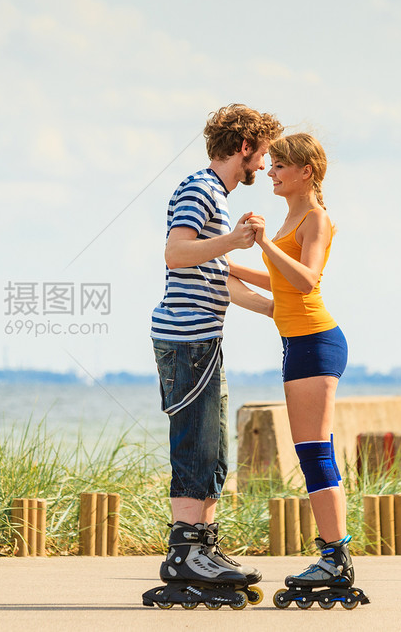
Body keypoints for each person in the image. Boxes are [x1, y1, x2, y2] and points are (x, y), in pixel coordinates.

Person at [145, 104, 282, 609]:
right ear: (243, 147)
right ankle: (184, 553)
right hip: (186, 340)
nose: (264, 165)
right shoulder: (198, 189)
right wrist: (234, 239)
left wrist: (278, 312)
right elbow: (176, 254)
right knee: (195, 448)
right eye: (262, 153)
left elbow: (219, 279)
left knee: (214, 454)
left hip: (205, 338)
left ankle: (204, 548)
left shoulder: (217, 198)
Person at [229, 132, 369, 609]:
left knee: (313, 452)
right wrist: (230, 267)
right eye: (270, 166)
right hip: (297, 343)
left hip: (315, 342)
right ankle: (334, 556)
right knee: (314, 449)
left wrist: (264, 242)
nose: (270, 172)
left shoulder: (316, 218)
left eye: (279, 166)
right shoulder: (293, 216)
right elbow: (282, 287)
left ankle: (335, 559)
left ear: (305, 171)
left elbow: (307, 281)